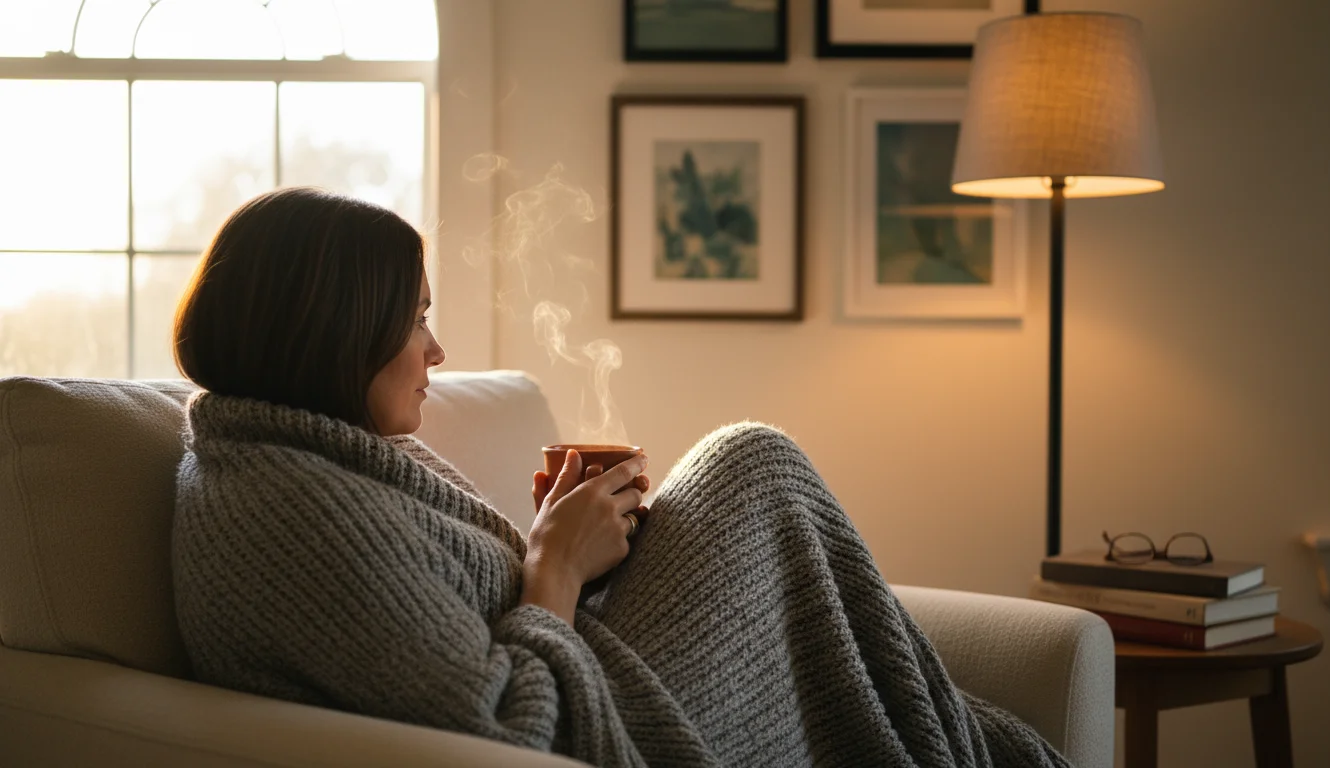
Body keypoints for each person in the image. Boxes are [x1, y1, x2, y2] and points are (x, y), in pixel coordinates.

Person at [171, 187, 1068, 767]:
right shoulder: (288, 513)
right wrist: (554, 566)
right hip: (599, 722)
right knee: (755, 464)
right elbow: (505, 730)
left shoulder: (313, 453)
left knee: (763, 478)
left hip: (589, 661)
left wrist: (568, 549)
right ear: (334, 331)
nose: (436, 351)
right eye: (415, 321)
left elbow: (456, 609)